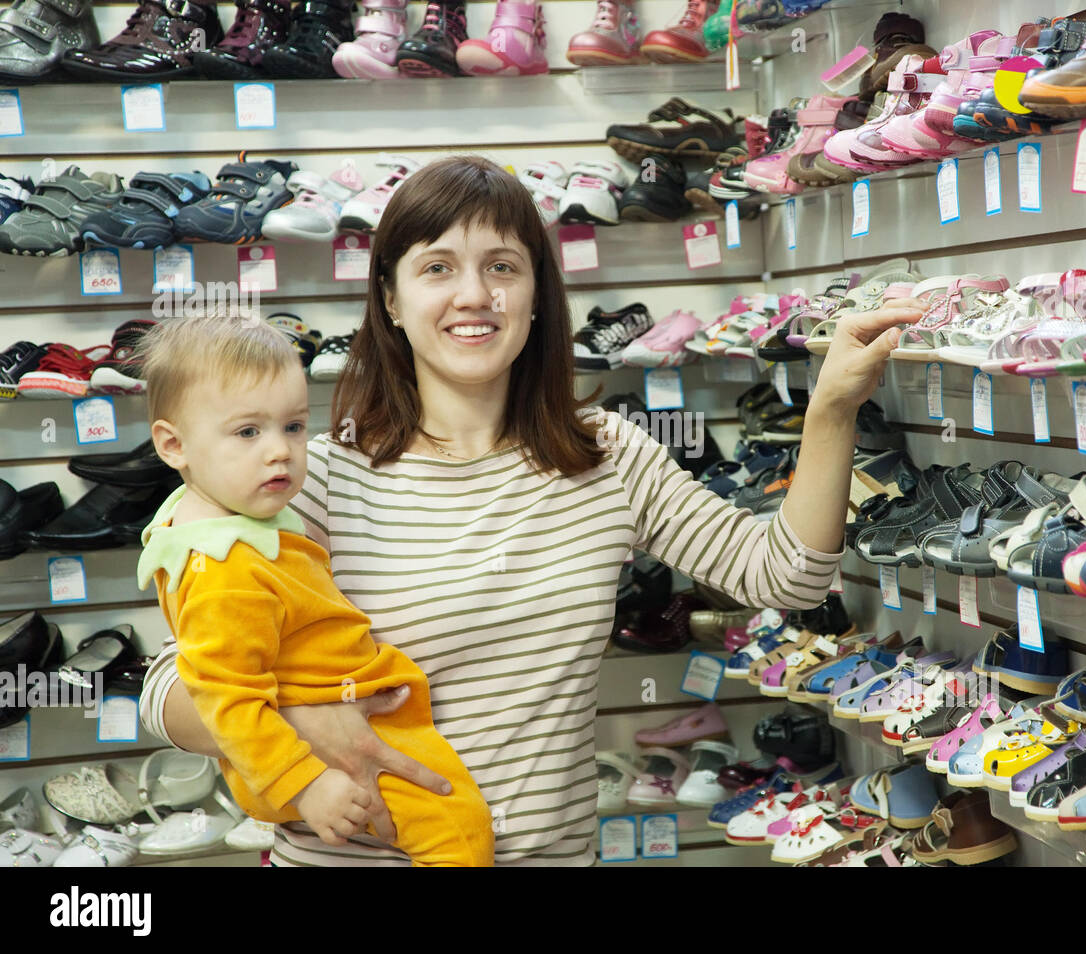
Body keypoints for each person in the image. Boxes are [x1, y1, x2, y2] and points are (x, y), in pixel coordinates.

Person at [139, 154, 922, 867]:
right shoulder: (317, 475)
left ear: (539, 296)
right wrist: (305, 727)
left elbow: (786, 576)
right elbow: (169, 684)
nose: (474, 295)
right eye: (437, 266)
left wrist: (831, 411)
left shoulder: (606, 455)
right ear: (390, 296)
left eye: (502, 266)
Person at [135, 315, 494, 866]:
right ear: (173, 444)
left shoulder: (221, 521)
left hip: (332, 730)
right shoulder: (227, 566)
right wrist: (304, 784)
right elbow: (227, 698)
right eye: (248, 432)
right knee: (460, 833)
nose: (280, 450)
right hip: (316, 758)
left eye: (294, 427)